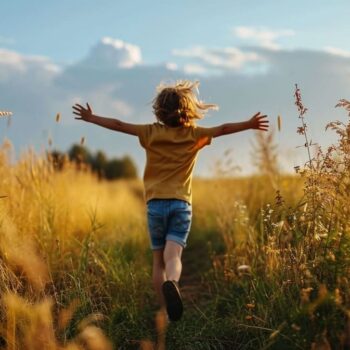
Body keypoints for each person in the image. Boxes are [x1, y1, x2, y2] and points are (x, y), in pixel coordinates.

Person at [72, 80, 269, 322]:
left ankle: (166, 310)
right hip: (180, 205)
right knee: (173, 256)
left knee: (158, 260)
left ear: (159, 111)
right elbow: (225, 128)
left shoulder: (150, 132)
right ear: (187, 110)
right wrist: (249, 124)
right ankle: (173, 282)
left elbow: (118, 124)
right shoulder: (194, 135)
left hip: (155, 205)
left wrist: (92, 118)